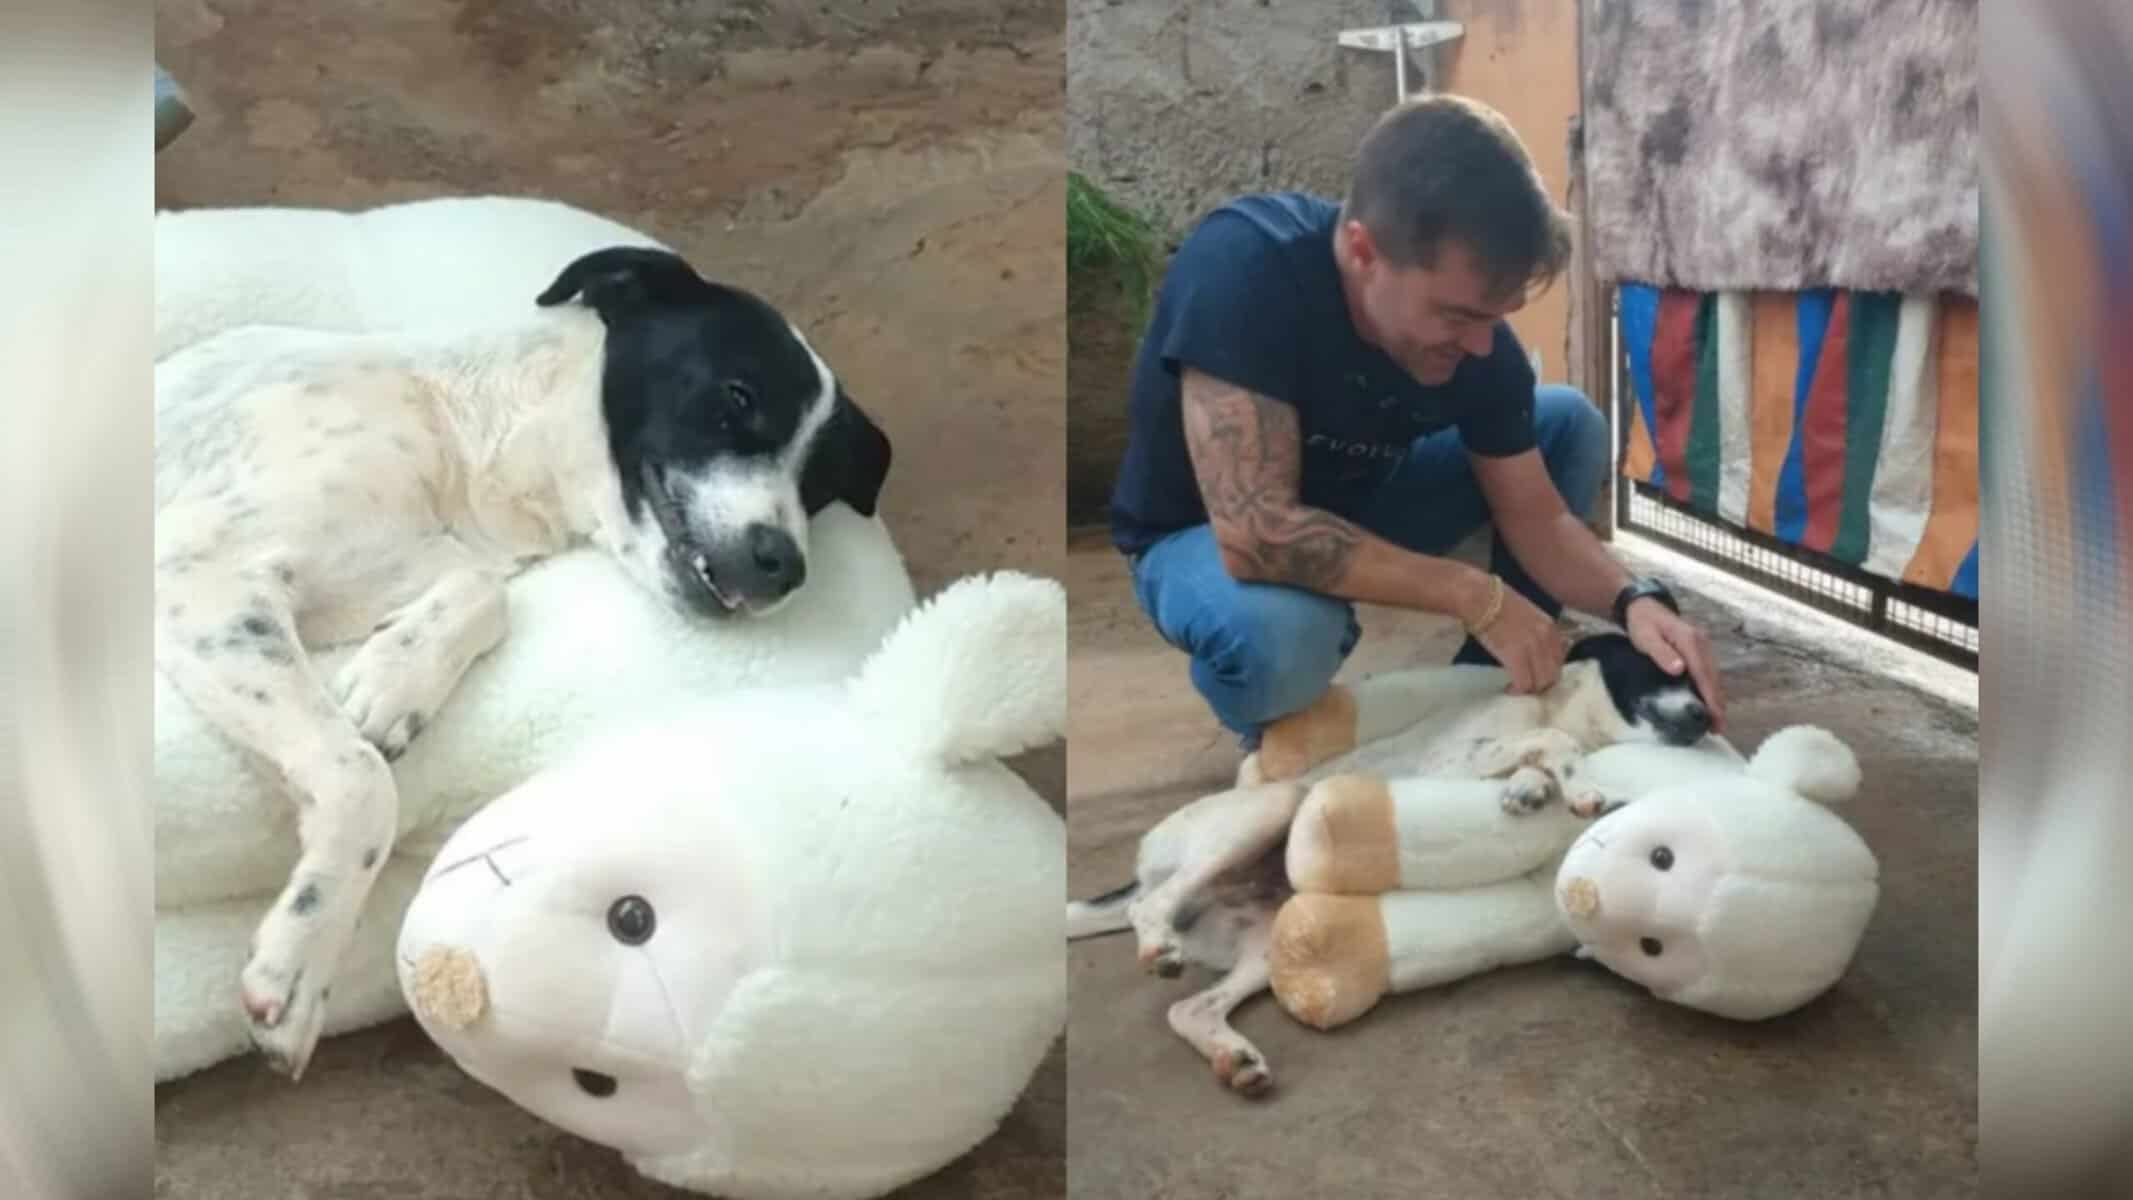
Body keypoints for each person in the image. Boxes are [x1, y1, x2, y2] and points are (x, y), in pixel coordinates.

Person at [1106, 93, 1725, 749]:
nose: (1481, 345)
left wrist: (1637, 601)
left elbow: (1537, 518)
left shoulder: (1476, 346)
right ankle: (1271, 727)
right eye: (1457, 315)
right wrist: (1472, 593)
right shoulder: (1246, 265)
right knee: (1283, 638)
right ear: (1361, 250)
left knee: (1566, 422)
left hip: (1361, 501)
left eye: (1498, 315)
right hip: (1201, 532)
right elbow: (1259, 534)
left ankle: (1487, 696)